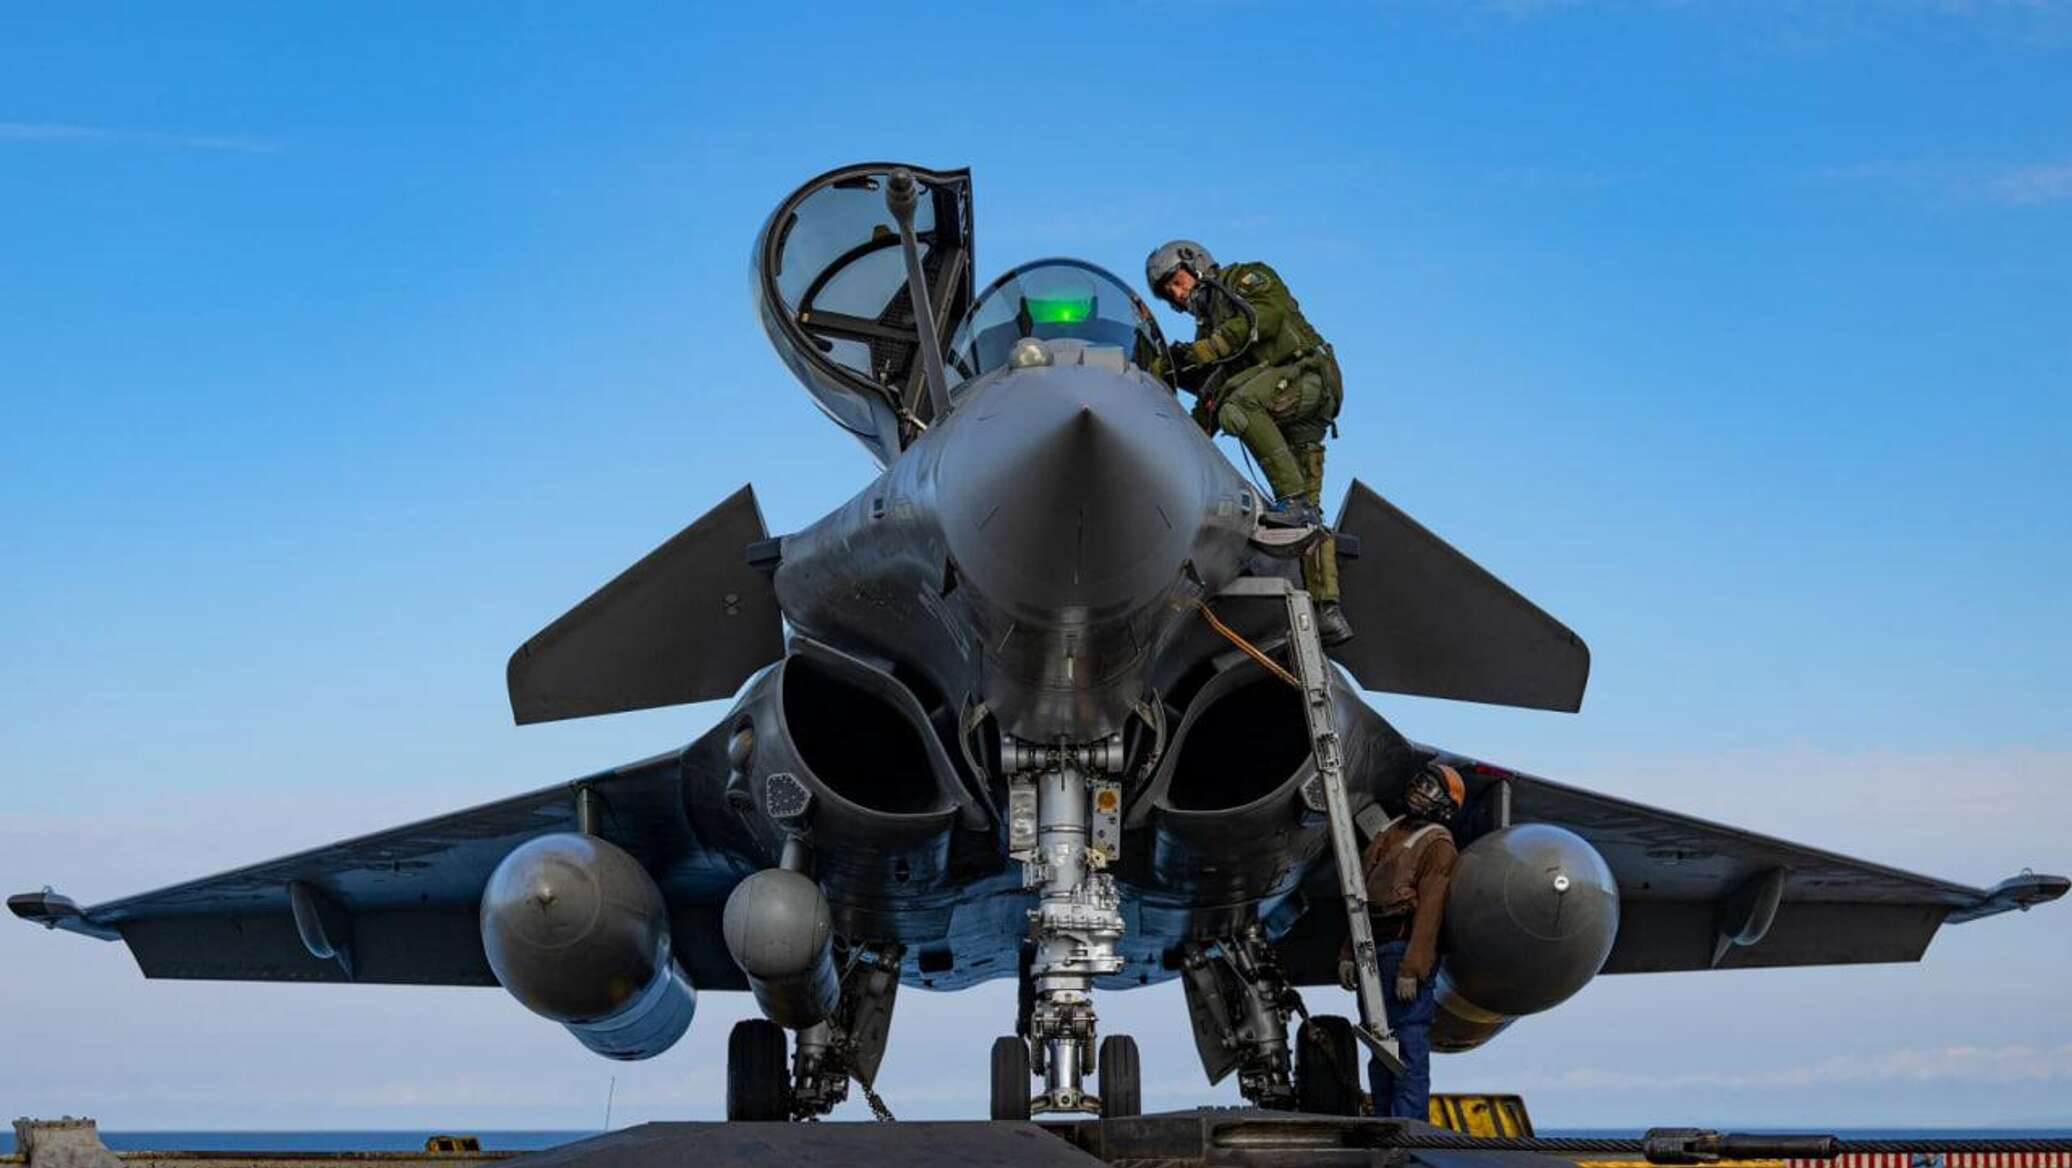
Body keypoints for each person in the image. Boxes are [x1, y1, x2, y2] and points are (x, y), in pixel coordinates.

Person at [1144, 240, 1352, 645]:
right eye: (1168, 291)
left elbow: (1264, 320)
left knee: (1237, 407)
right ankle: (1327, 611)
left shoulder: (1246, 280)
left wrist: (1204, 350)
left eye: (1176, 281)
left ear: (1195, 264)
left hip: (1306, 378)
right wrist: (1183, 443)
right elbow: (1212, 392)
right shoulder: (1209, 327)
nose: (1177, 293)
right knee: (1306, 523)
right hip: (1280, 398)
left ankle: (1293, 500)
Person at [1337, 760, 1465, 1119]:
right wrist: (1348, 952)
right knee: (1379, 1043)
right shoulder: (1389, 831)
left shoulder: (1438, 845)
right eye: (1421, 782)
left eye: (1431, 788)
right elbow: (1359, 899)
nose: (1420, 790)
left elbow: (1431, 910)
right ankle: (1384, 1124)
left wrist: (1413, 967)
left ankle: (1408, 1128)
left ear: (1445, 806)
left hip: (1401, 949)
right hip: (1371, 950)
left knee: (1407, 1042)